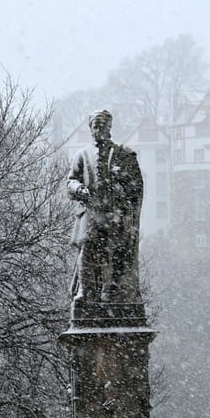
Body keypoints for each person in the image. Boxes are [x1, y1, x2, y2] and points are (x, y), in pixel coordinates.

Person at [67, 109, 144, 308]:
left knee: (114, 253)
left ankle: (110, 292)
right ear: (90, 128)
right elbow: (71, 181)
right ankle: (85, 289)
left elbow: (136, 186)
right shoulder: (82, 155)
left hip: (114, 213)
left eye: (103, 125)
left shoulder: (122, 153)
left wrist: (122, 177)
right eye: (95, 125)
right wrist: (79, 188)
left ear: (110, 128)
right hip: (91, 212)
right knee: (87, 250)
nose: (99, 129)